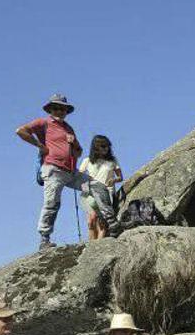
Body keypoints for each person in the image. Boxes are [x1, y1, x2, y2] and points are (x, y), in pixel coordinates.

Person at [17, 93, 115, 250]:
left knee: (99, 187)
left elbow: (79, 152)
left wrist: (74, 144)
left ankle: (112, 223)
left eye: (63, 109)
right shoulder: (44, 123)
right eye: (56, 108)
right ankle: (44, 239)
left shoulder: (68, 128)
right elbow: (21, 131)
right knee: (52, 203)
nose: (60, 111)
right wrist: (40, 146)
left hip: (71, 171)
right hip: (53, 169)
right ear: (50, 110)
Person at [79, 135, 123, 240]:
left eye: (107, 146)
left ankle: (98, 247)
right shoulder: (87, 161)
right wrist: (85, 189)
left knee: (102, 223)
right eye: (103, 146)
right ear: (96, 147)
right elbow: (80, 177)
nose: (106, 149)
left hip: (107, 193)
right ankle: (91, 245)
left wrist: (114, 180)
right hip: (90, 193)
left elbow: (120, 177)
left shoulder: (113, 161)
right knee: (91, 220)